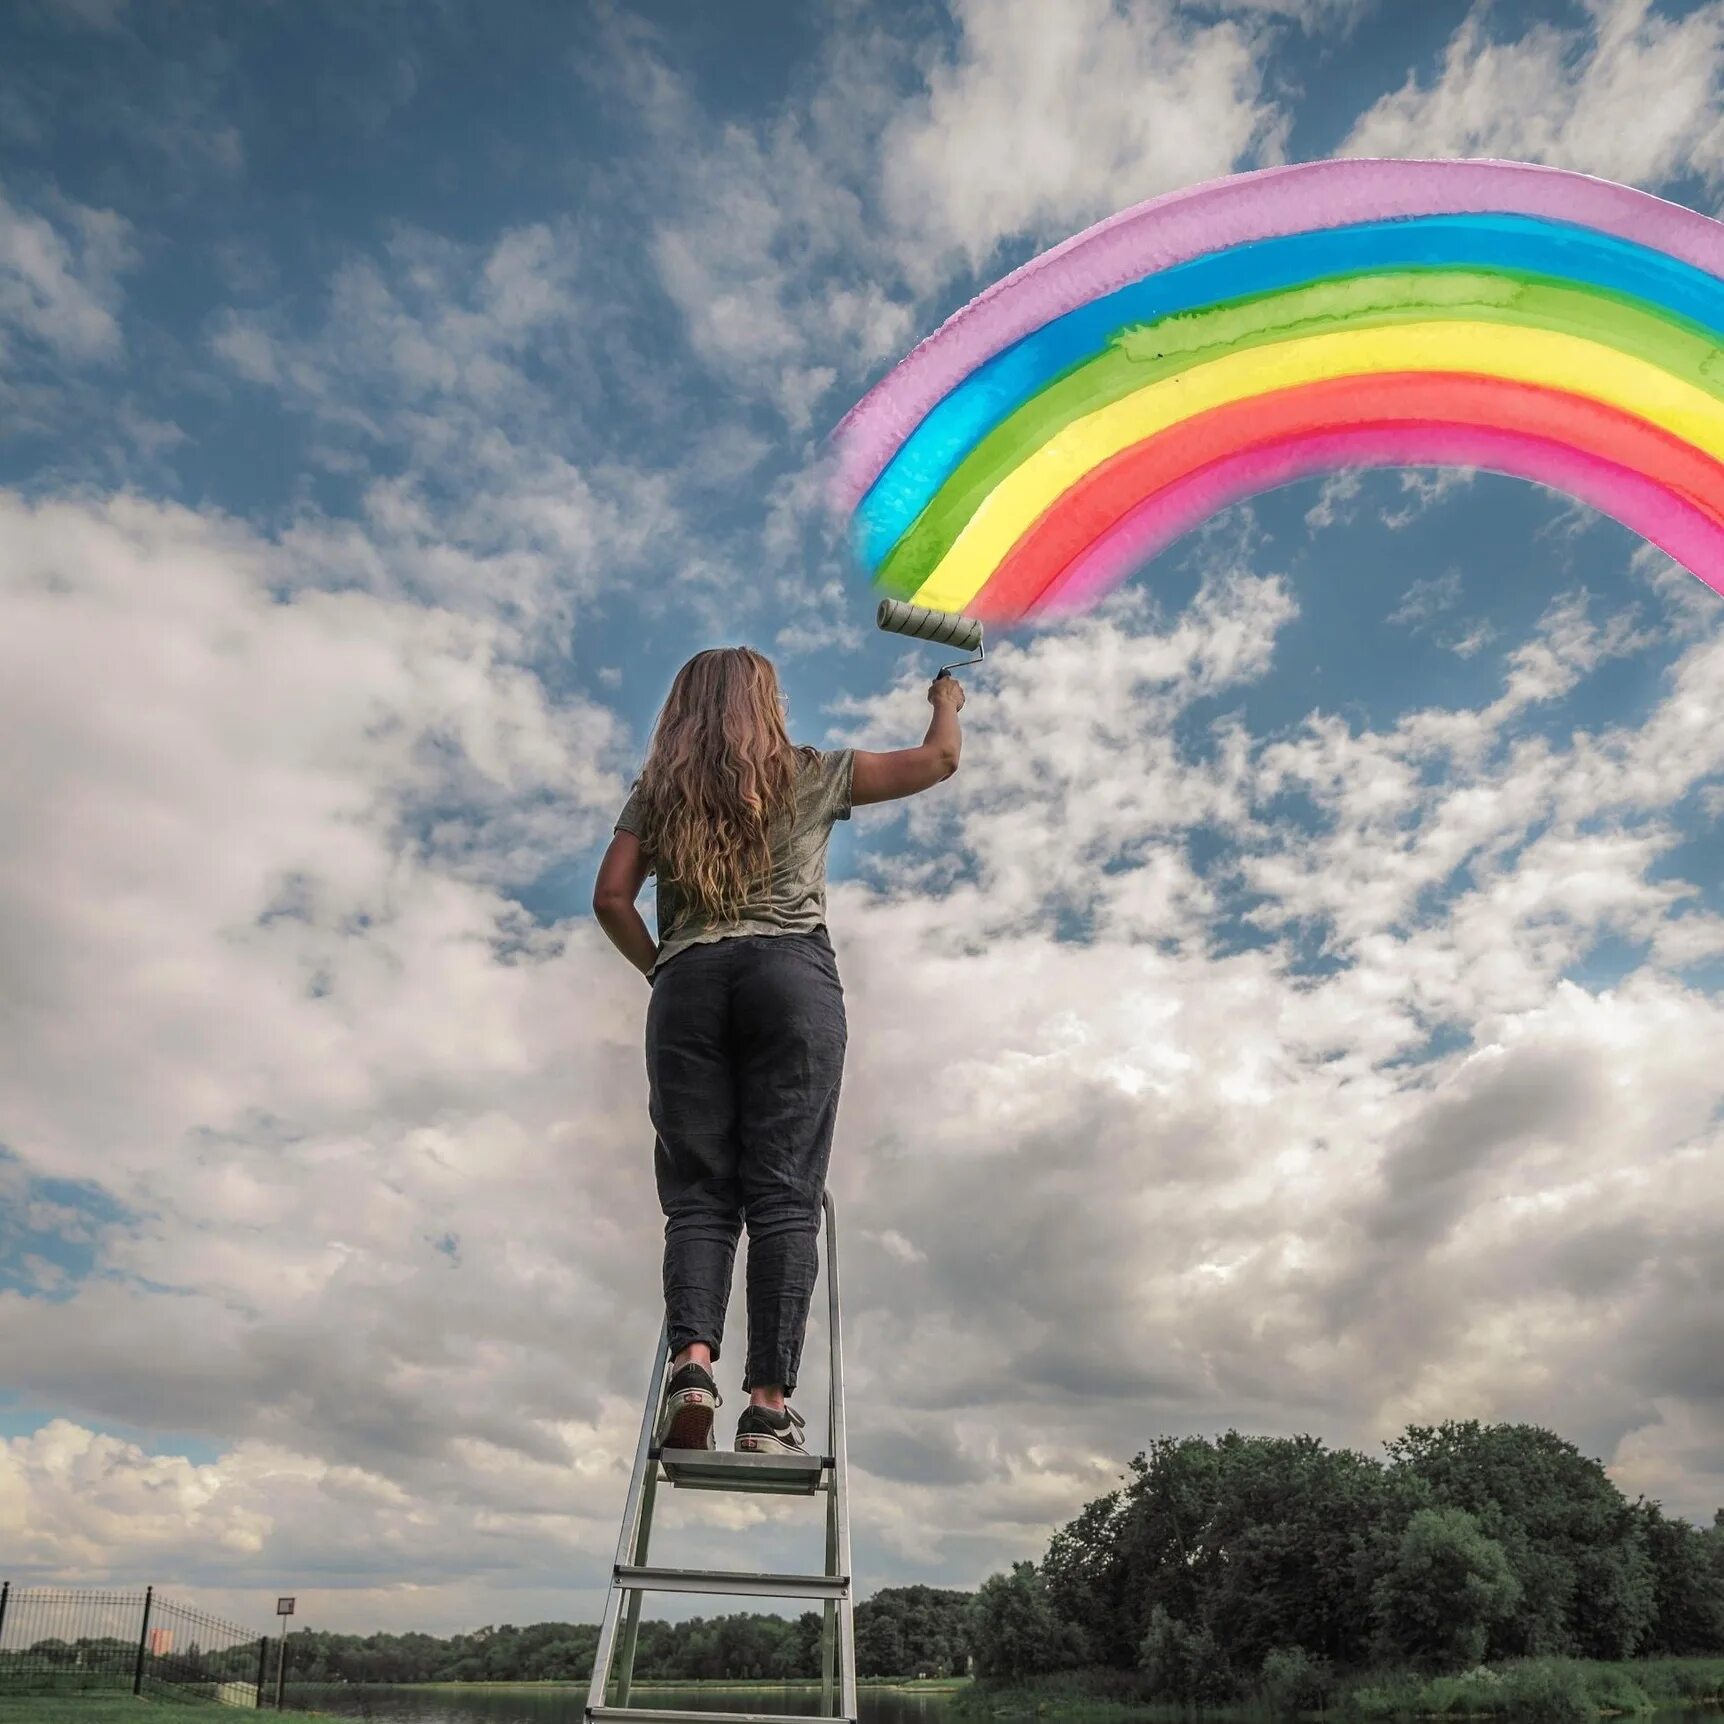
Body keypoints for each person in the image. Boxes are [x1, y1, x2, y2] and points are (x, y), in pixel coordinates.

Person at [592, 646, 965, 1455]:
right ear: (767, 702)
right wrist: (947, 700)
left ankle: (692, 1368)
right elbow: (937, 761)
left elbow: (612, 897)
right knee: (785, 1196)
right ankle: (766, 1408)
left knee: (699, 1197)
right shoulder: (812, 772)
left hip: (689, 981)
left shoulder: (658, 792)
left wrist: (664, 965)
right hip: (790, 976)